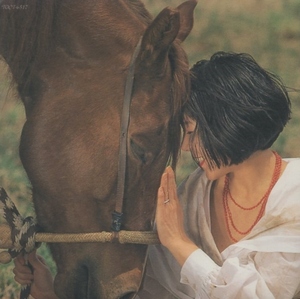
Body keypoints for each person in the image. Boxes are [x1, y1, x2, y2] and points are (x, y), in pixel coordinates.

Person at [13, 52, 300, 299]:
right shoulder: (194, 195)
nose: (186, 147)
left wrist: (178, 243)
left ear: (227, 124)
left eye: (190, 130)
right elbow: (152, 290)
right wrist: (50, 292)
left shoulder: (294, 198)